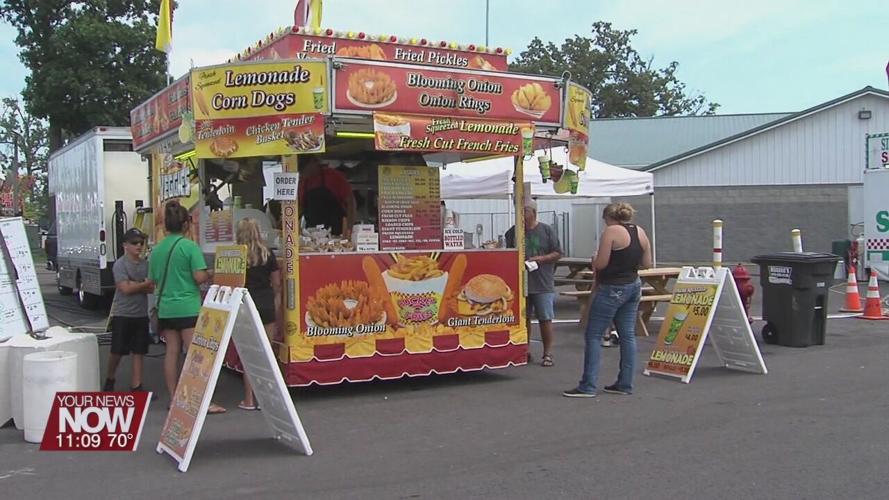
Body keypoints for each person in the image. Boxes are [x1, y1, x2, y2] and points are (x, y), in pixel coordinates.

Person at [564, 202, 652, 398]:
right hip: (633, 284)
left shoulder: (611, 232)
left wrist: (595, 260)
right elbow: (647, 263)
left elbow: (602, 263)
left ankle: (588, 385)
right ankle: (625, 383)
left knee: (593, 335)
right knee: (627, 335)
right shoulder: (640, 232)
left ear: (608, 218)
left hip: (612, 286)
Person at [149, 201, 225, 413]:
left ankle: (174, 398)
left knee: (171, 352)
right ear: (185, 225)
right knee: (195, 355)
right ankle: (199, 400)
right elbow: (199, 277)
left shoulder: (157, 250)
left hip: (165, 307)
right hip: (188, 307)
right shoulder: (190, 247)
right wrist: (210, 272)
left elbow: (153, 279)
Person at [506, 198, 562, 367]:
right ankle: (524, 350)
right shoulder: (513, 232)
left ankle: (548, 353)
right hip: (520, 281)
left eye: (524, 211)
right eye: (519, 211)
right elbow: (508, 254)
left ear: (533, 212)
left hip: (542, 281)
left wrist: (542, 259)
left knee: (545, 317)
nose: (521, 215)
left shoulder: (546, 230)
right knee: (524, 318)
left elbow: (558, 252)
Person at [235, 218, 282, 411]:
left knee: (249, 354)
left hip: (246, 304)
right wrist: (276, 304)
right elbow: (277, 284)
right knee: (267, 353)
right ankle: (269, 399)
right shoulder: (267, 254)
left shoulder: (236, 255)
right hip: (266, 303)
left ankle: (249, 399)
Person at [103, 228, 154, 393]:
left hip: (140, 314)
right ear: (125, 245)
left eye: (141, 242)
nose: (138, 246)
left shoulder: (145, 264)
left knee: (139, 351)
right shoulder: (120, 264)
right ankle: (110, 378)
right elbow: (125, 288)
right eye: (134, 243)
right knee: (117, 351)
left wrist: (136, 285)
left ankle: (136, 385)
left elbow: (152, 287)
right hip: (122, 313)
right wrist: (142, 284)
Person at [297, 156, 356, 237]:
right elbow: (299, 208)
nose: (303, 171)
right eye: (301, 169)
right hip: (311, 235)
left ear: (314, 162)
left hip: (336, 234)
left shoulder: (334, 176)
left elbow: (351, 203)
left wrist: (349, 229)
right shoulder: (303, 182)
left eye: (304, 166)